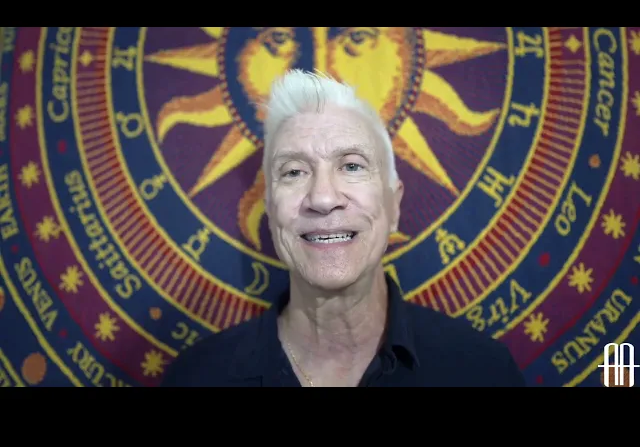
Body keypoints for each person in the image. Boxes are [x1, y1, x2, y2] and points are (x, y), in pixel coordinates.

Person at [160, 69, 527, 387]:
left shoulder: (483, 370)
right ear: (270, 212)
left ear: (393, 206)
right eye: (294, 172)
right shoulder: (195, 377)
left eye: (352, 166)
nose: (322, 198)